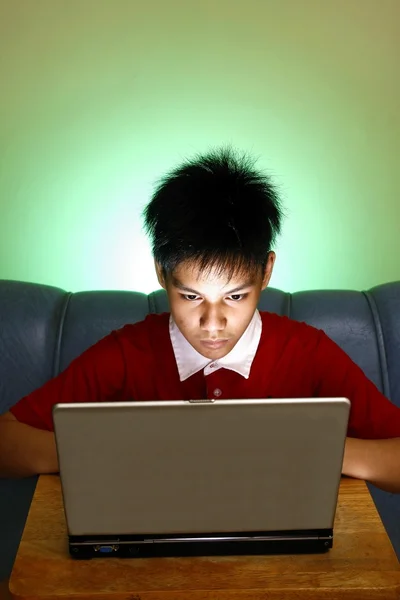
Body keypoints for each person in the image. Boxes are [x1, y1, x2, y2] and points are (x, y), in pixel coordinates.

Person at [1, 147, 400, 491]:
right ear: (161, 273)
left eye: (236, 296)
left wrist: (316, 448)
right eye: (191, 296)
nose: (212, 323)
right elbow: (6, 440)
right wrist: (112, 451)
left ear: (266, 272)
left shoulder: (307, 351)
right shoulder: (128, 352)